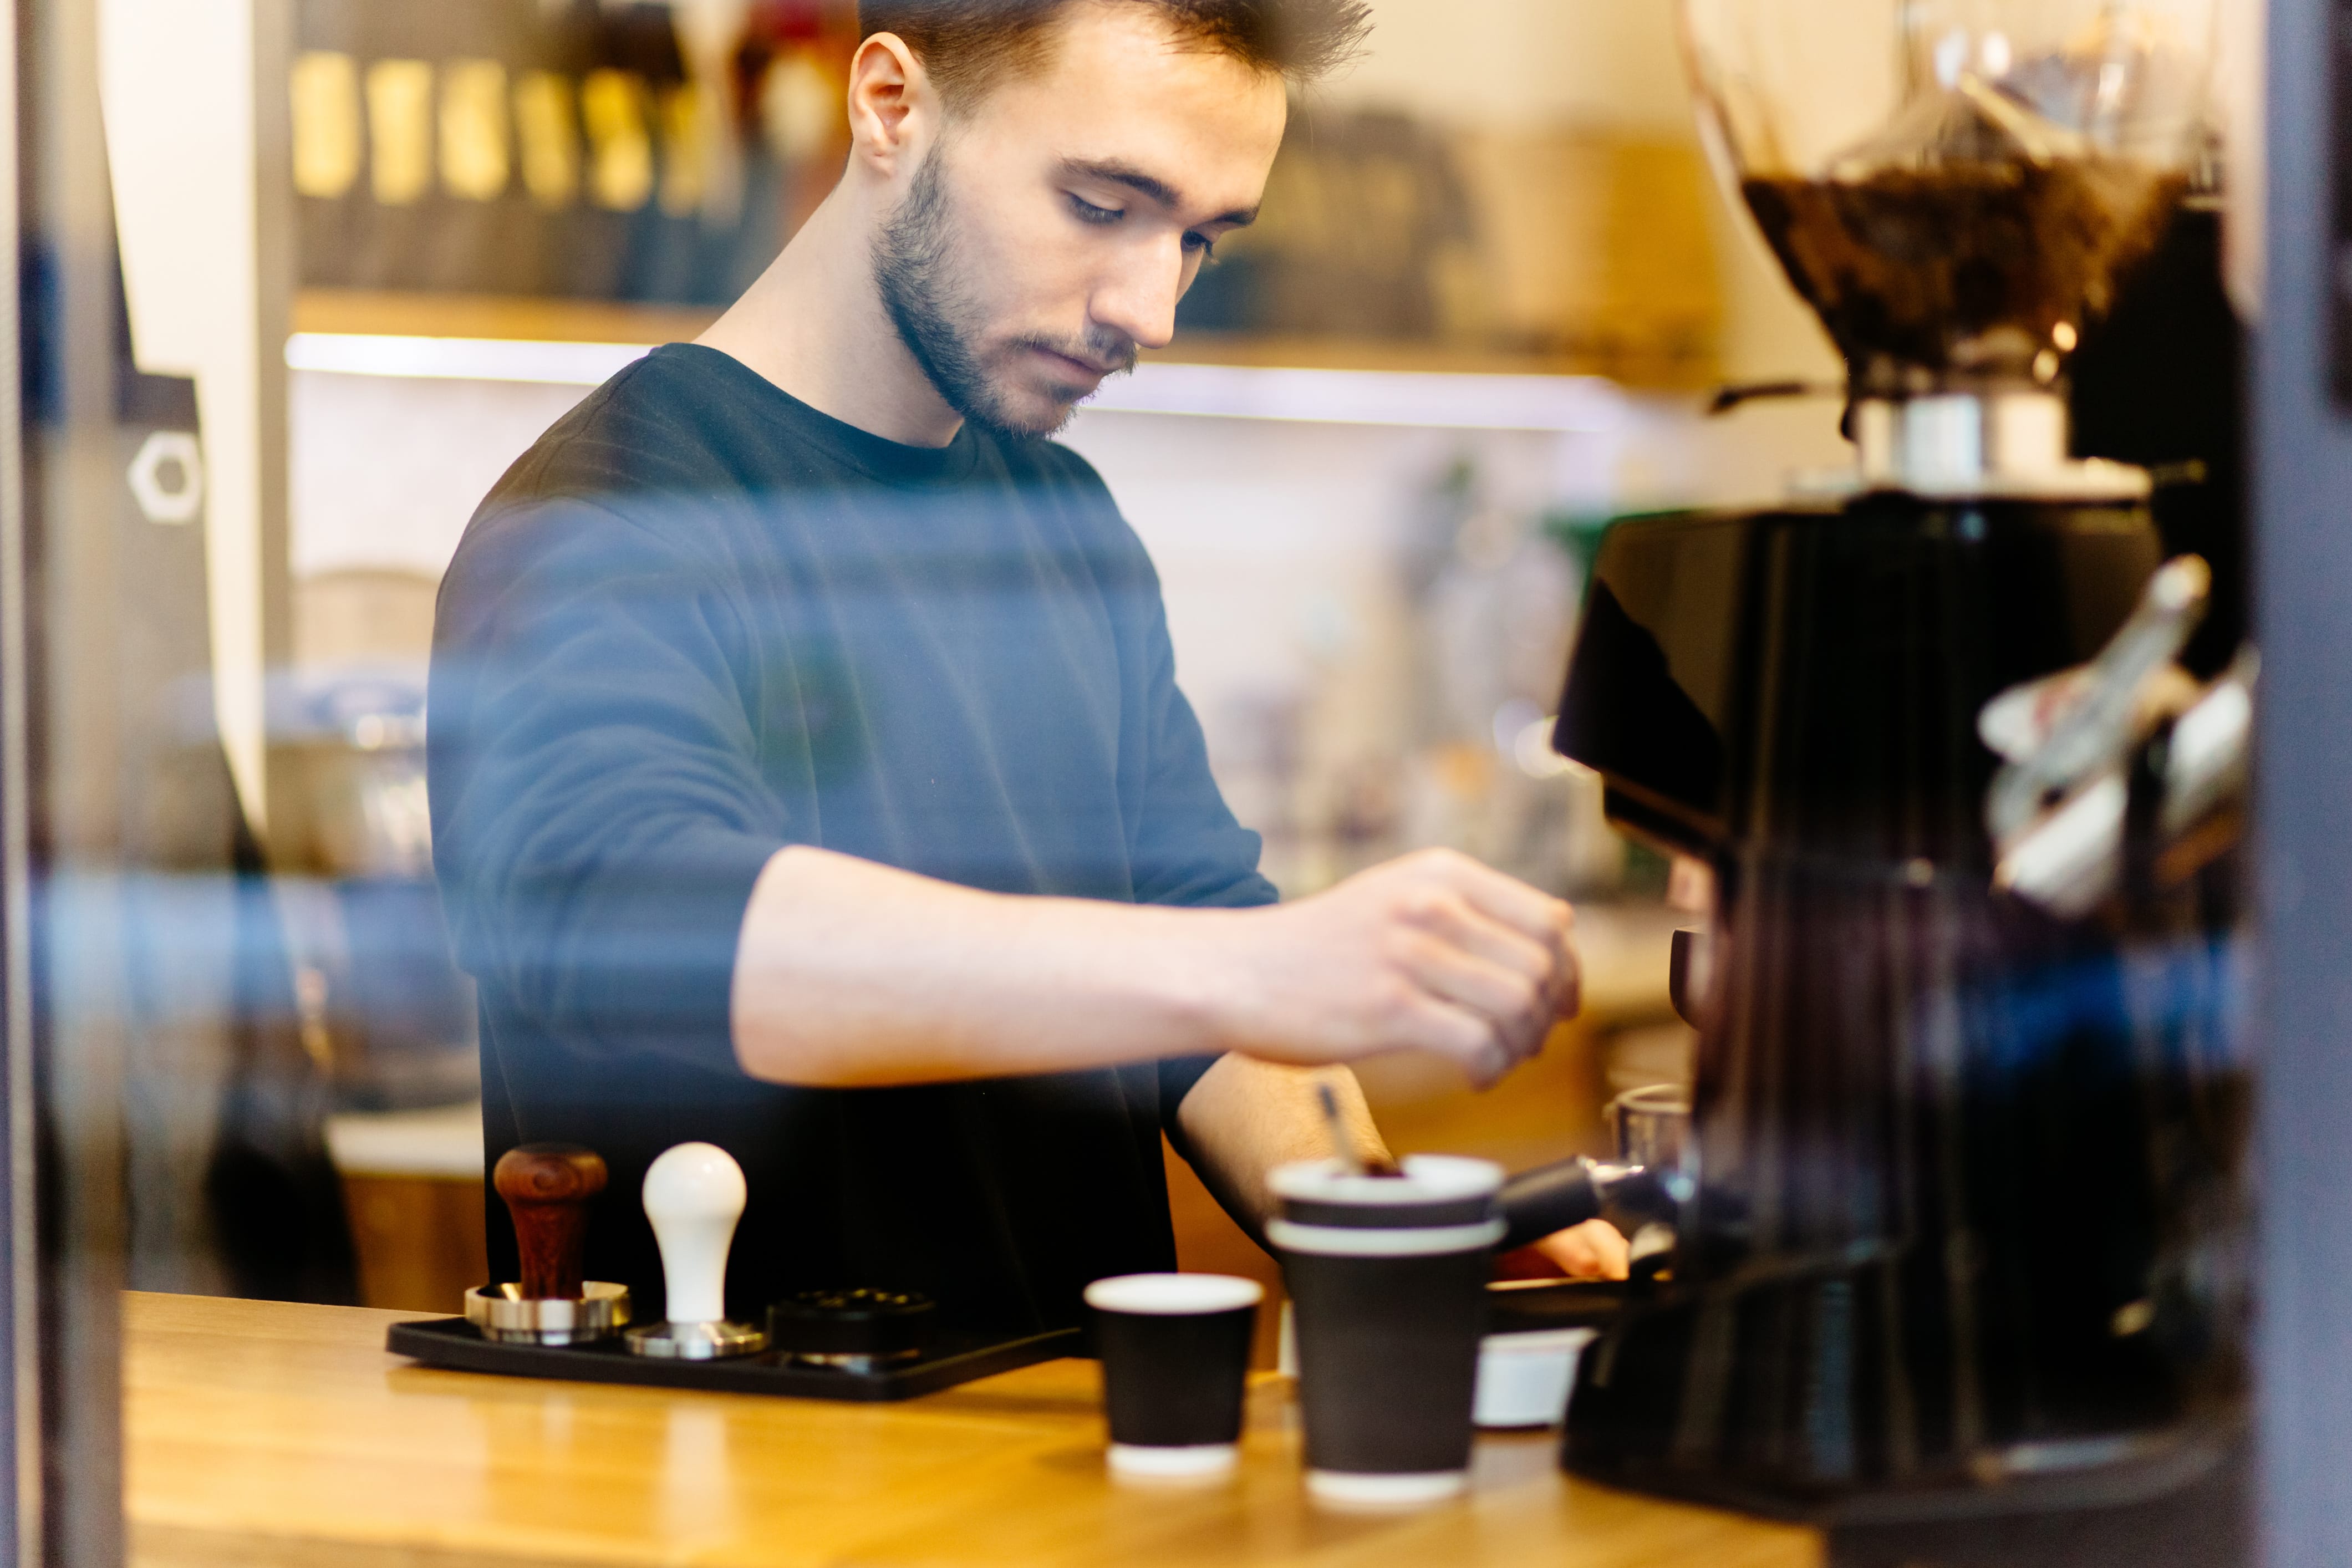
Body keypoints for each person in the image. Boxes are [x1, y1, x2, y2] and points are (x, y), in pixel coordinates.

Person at [429, 0, 1626, 1332]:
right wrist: (1252, 966)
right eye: (1103, 205)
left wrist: (1390, 1222)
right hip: (743, 1493)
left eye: (1199, 242)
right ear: (890, 106)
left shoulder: (1065, 526)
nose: (1150, 307)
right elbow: (656, 928)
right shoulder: (607, 516)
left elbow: (1196, 939)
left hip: (1063, 1457)